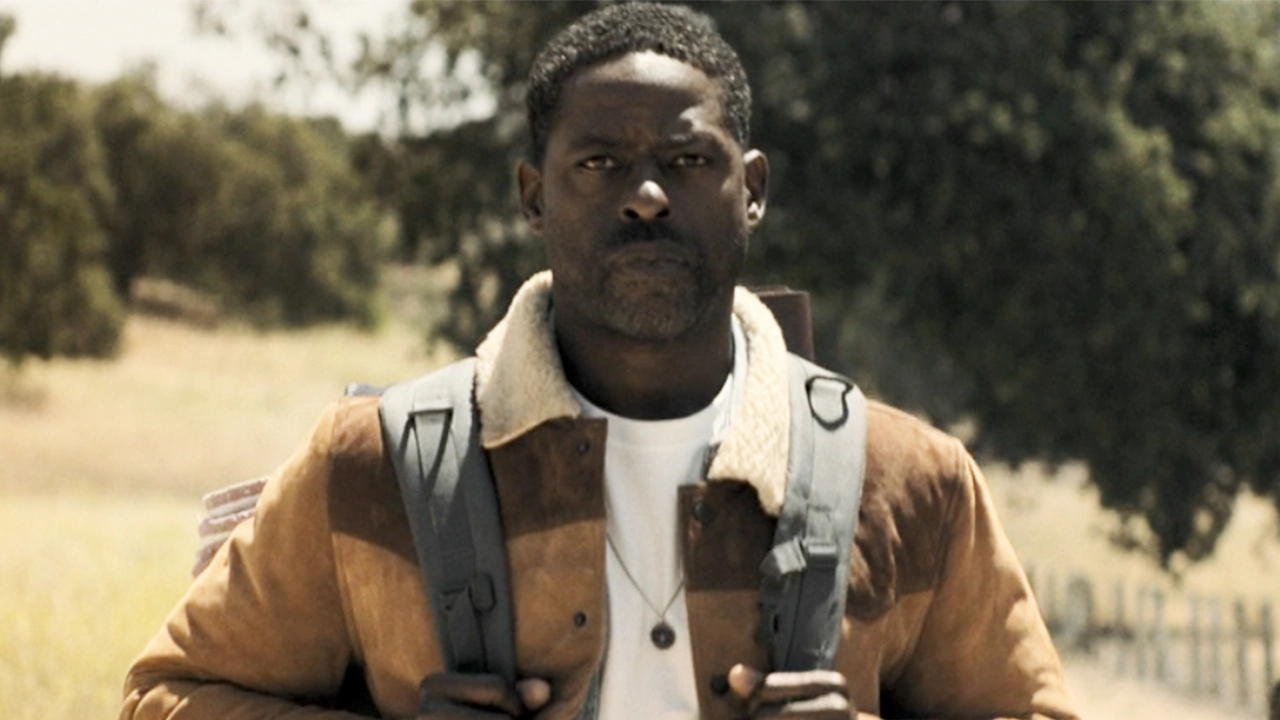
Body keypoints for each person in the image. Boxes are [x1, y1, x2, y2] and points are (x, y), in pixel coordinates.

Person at [120, 4, 1080, 719]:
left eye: (687, 161)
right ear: (534, 197)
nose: (647, 196)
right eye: (599, 164)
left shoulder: (911, 483)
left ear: (751, 191)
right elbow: (164, 697)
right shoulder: (369, 467)